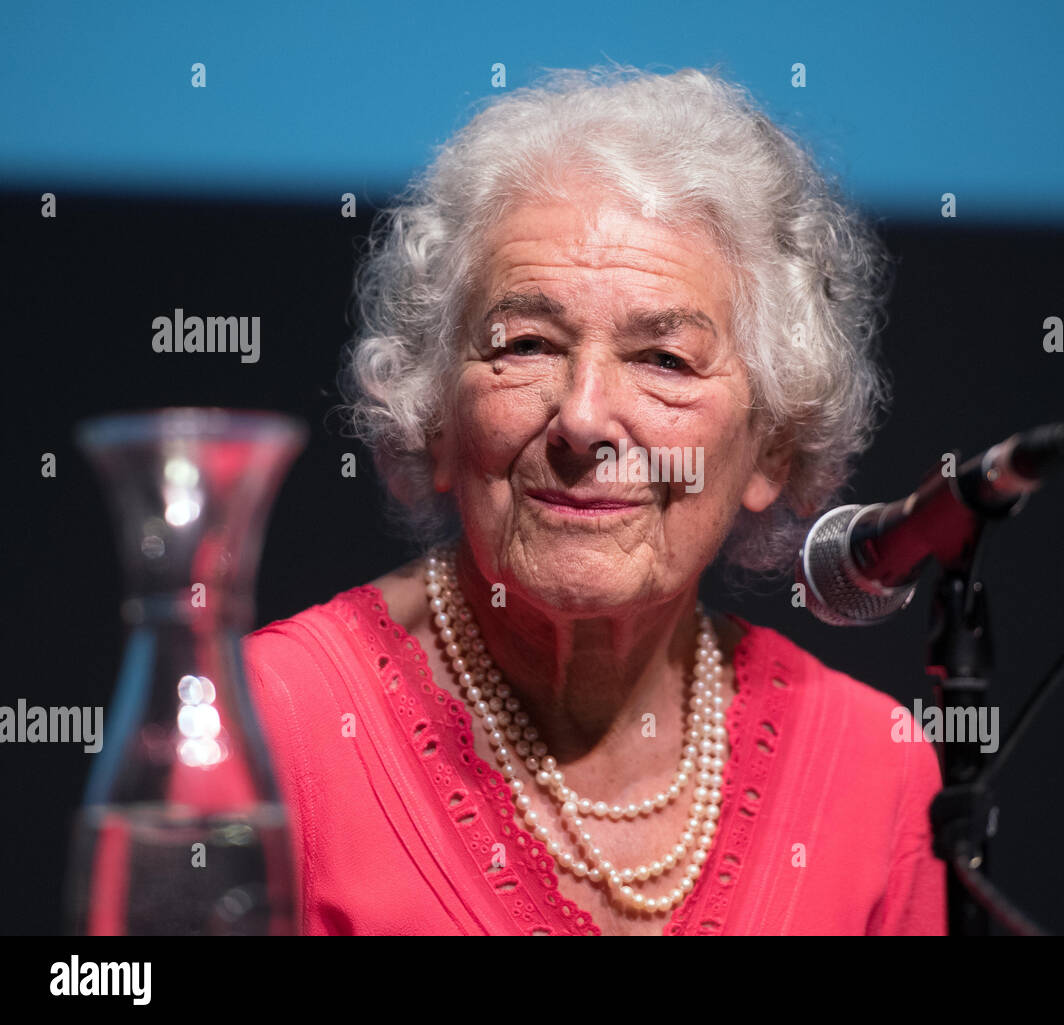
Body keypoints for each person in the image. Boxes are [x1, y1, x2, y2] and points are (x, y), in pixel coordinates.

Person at [243, 64, 946, 935]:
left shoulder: (872, 773)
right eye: (527, 343)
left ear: (771, 446)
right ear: (435, 419)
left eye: (664, 359)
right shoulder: (267, 728)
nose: (580, 418)